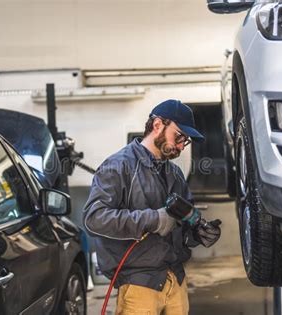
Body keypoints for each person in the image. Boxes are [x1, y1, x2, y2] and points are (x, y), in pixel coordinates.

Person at [83, 99, 221, 315]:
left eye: (185, 141)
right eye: (179, 136)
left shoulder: (174, 174)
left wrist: (198, 234)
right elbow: (94, 218)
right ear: (157, 125)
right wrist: (154, 220)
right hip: (139, 286)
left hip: (176, 280)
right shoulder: (118, 167)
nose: (180, 145)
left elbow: (181, 226)